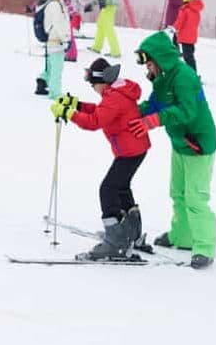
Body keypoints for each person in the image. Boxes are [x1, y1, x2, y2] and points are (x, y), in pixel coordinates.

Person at [131, 31, 216, 270]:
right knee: (178, 192)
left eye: (149, 62)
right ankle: (182, 236)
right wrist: (131, 113)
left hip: (198, 145)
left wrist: (155, 120)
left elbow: (187, 111)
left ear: (160, 58)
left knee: (195, 197)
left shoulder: (184, 77)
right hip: (180, 143)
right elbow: (154, 104)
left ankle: (205, 248)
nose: (147, 67)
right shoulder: (163, 78)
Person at [50, 58, 150, 260]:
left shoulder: (114, 97)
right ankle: (132, 234)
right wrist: (76, 104)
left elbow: (94, 121)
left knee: (108, 189)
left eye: (93, 84)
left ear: (102, 82)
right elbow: (100, 111)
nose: (93, 88)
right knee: (121, 187)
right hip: (134, 149)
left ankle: (116, 243)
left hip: (130, 151)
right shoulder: (116, 91)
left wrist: (68, 113)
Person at [34, 0, 70, 98]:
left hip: (52, 39)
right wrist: (65, 39)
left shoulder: (50, 1)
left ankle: (44, 83)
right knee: (57, 69)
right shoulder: (55, 4)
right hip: (56, 40)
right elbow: (58, 23)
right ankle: (55, 93)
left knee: (51, 67)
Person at [173, 0, 204, 72]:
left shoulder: (185, 10)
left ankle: (192, 73)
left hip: (185, 37)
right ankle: (192, 72)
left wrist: (173, 28)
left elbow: (179, 22)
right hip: (192, 37)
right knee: (190, 56)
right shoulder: (196, 11)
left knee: (188, 57)